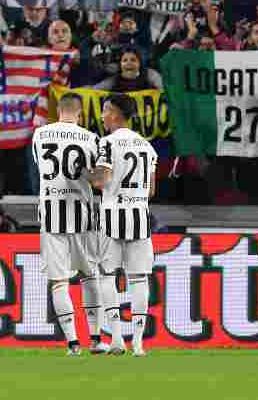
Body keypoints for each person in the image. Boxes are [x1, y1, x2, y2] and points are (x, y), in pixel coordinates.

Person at [31, 91, 103, 356]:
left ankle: (73, 344)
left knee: (59, 282)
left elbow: (41, 168)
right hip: (82, 215)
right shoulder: (91, 138)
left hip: (51, 215)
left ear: (58, 111)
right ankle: (96, 339)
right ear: (80, 113)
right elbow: (97, 179)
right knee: (89, 275)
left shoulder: (40, 135)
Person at [90, 94, 157, 357]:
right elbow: (151, 190)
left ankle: (117, 338)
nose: (102, 116)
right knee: (139, 278)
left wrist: (85, 172)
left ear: (116, 114)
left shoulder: (107, 143)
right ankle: (138, 343)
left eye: (106, 110)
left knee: (108, 276)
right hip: (139, 214)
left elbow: (100, 181)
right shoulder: (147, 146)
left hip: (112, 213)